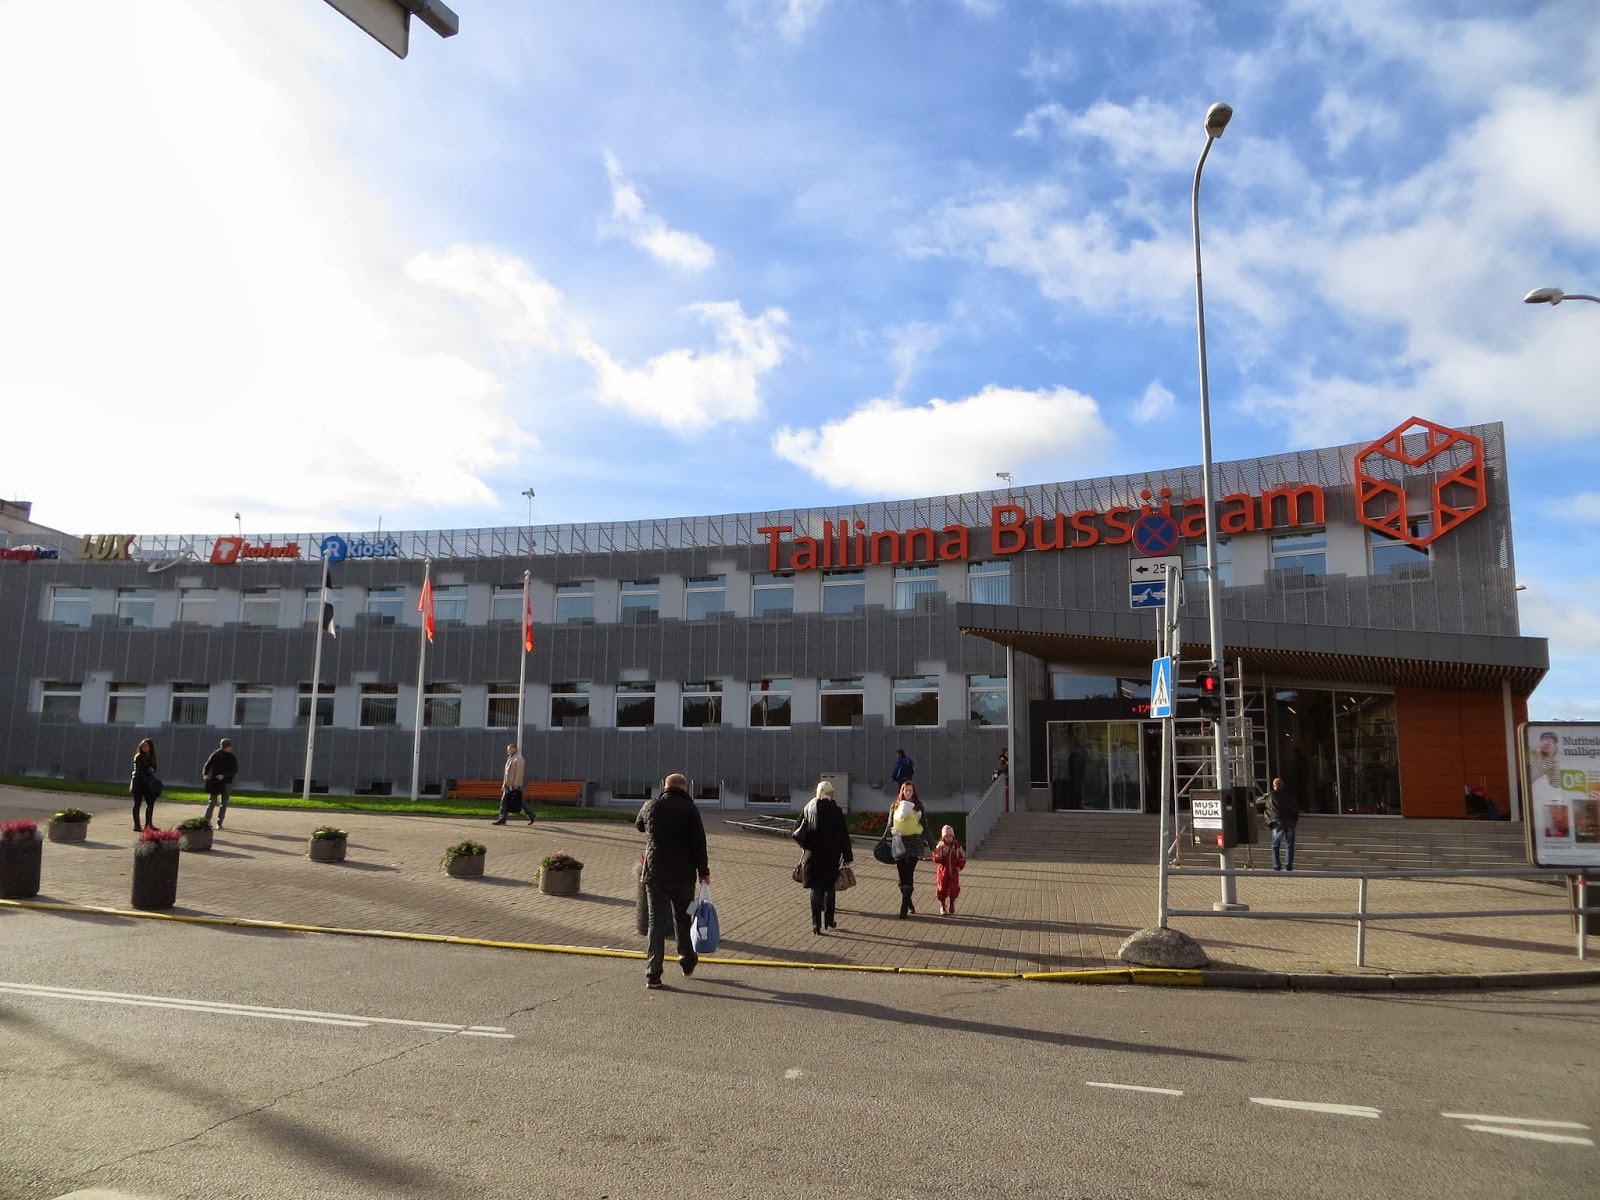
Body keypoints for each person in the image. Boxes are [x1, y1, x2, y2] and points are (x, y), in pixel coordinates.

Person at [635, 772, 710, 989]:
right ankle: (687, 960)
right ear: (684, 788)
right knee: (684, 918)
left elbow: (639, 825)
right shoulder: (690, 809)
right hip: (683, 876)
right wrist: (703, 872)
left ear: (665, 787)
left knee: (655, 923)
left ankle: (653, 974)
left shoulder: (650, 805)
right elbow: (699, 843)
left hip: (655, 875)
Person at [793, 779, 853, 935]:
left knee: (815, 888)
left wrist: (806, 845)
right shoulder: (836, 810)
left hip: (812, 854)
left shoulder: (809, 808)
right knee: (829, 887)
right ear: (830, 793)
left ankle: (816, 924)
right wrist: (847, 854)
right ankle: (829, 920)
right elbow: (843, 835)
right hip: (831, 856)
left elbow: (797, 829)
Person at [890, 781, 929, 918]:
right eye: (906, 790)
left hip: (914, 844)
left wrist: (932, 845)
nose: (908, 793)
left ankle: (903, 908)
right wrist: (892, 832)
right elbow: (889, 824)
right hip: (899, 844)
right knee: (902, 878)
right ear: (902, 791)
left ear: (914, 792)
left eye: (910, 791)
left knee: (909, 873)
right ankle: (909, 903)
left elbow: (925, 825)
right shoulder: (895, 806)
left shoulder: (918, 807)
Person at [1261, 777, 1301, 871]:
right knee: (1290, 845)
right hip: (1290, 821)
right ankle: (1288, 866)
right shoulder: (1289, 796)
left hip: (1277, 821)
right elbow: (1295, 810)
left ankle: (1277, 865)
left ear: (1273, 786)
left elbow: (1258, 802)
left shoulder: (1270, 795)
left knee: (1275, 845)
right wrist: (1294, 820)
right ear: (1282, 785)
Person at [492, 742, 535, 825]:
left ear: (515, 749)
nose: (508, 751)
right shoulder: (510, 758)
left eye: (509, 749)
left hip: (513, 784)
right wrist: (504, 784)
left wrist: (516, 784)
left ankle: (530, 814)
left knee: (515, 801)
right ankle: (502, 818)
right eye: (507, 749)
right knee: (506, 801)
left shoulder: (519, 758)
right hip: (508, 784)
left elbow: (519, 772)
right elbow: (507, 773)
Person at [201, 738, 238, 829]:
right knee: (212, 802)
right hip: (215, 782)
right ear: (225, 746)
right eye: (229, 746)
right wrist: (205, 774)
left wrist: (224, 776)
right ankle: (206, 822)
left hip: (227, 782)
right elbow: (207, 765)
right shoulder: (215, 755)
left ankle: (219, 823)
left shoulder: (232, 757)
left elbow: (234, 770)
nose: (231, 748)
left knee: (224, 802)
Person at [932, 824, 966, 915]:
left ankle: (952, 901)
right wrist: (938, 857)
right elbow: (935, 857)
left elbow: (962, 858)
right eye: (946, 836)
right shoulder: (940, 846)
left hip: (953, 871)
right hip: (942, 871)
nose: (949, 838)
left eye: (950, 836)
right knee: (941, 888)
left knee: (953, 888)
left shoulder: (957, 847)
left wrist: (960, 866)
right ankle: (942, 905)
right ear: (943, 837)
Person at [130, 738, 159, 831]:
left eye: (146, 745)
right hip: (138, 782)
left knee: (150, 803)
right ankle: (137, 825)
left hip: (147, 783)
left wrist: (152, 769)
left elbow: (155, 767)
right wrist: (148, 773)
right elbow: (140, 770)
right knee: (137, 803)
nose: (144, 747)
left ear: (150, 747)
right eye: (143, 745)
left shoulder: (152, 757)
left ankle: (148, 824)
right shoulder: (138, 757)